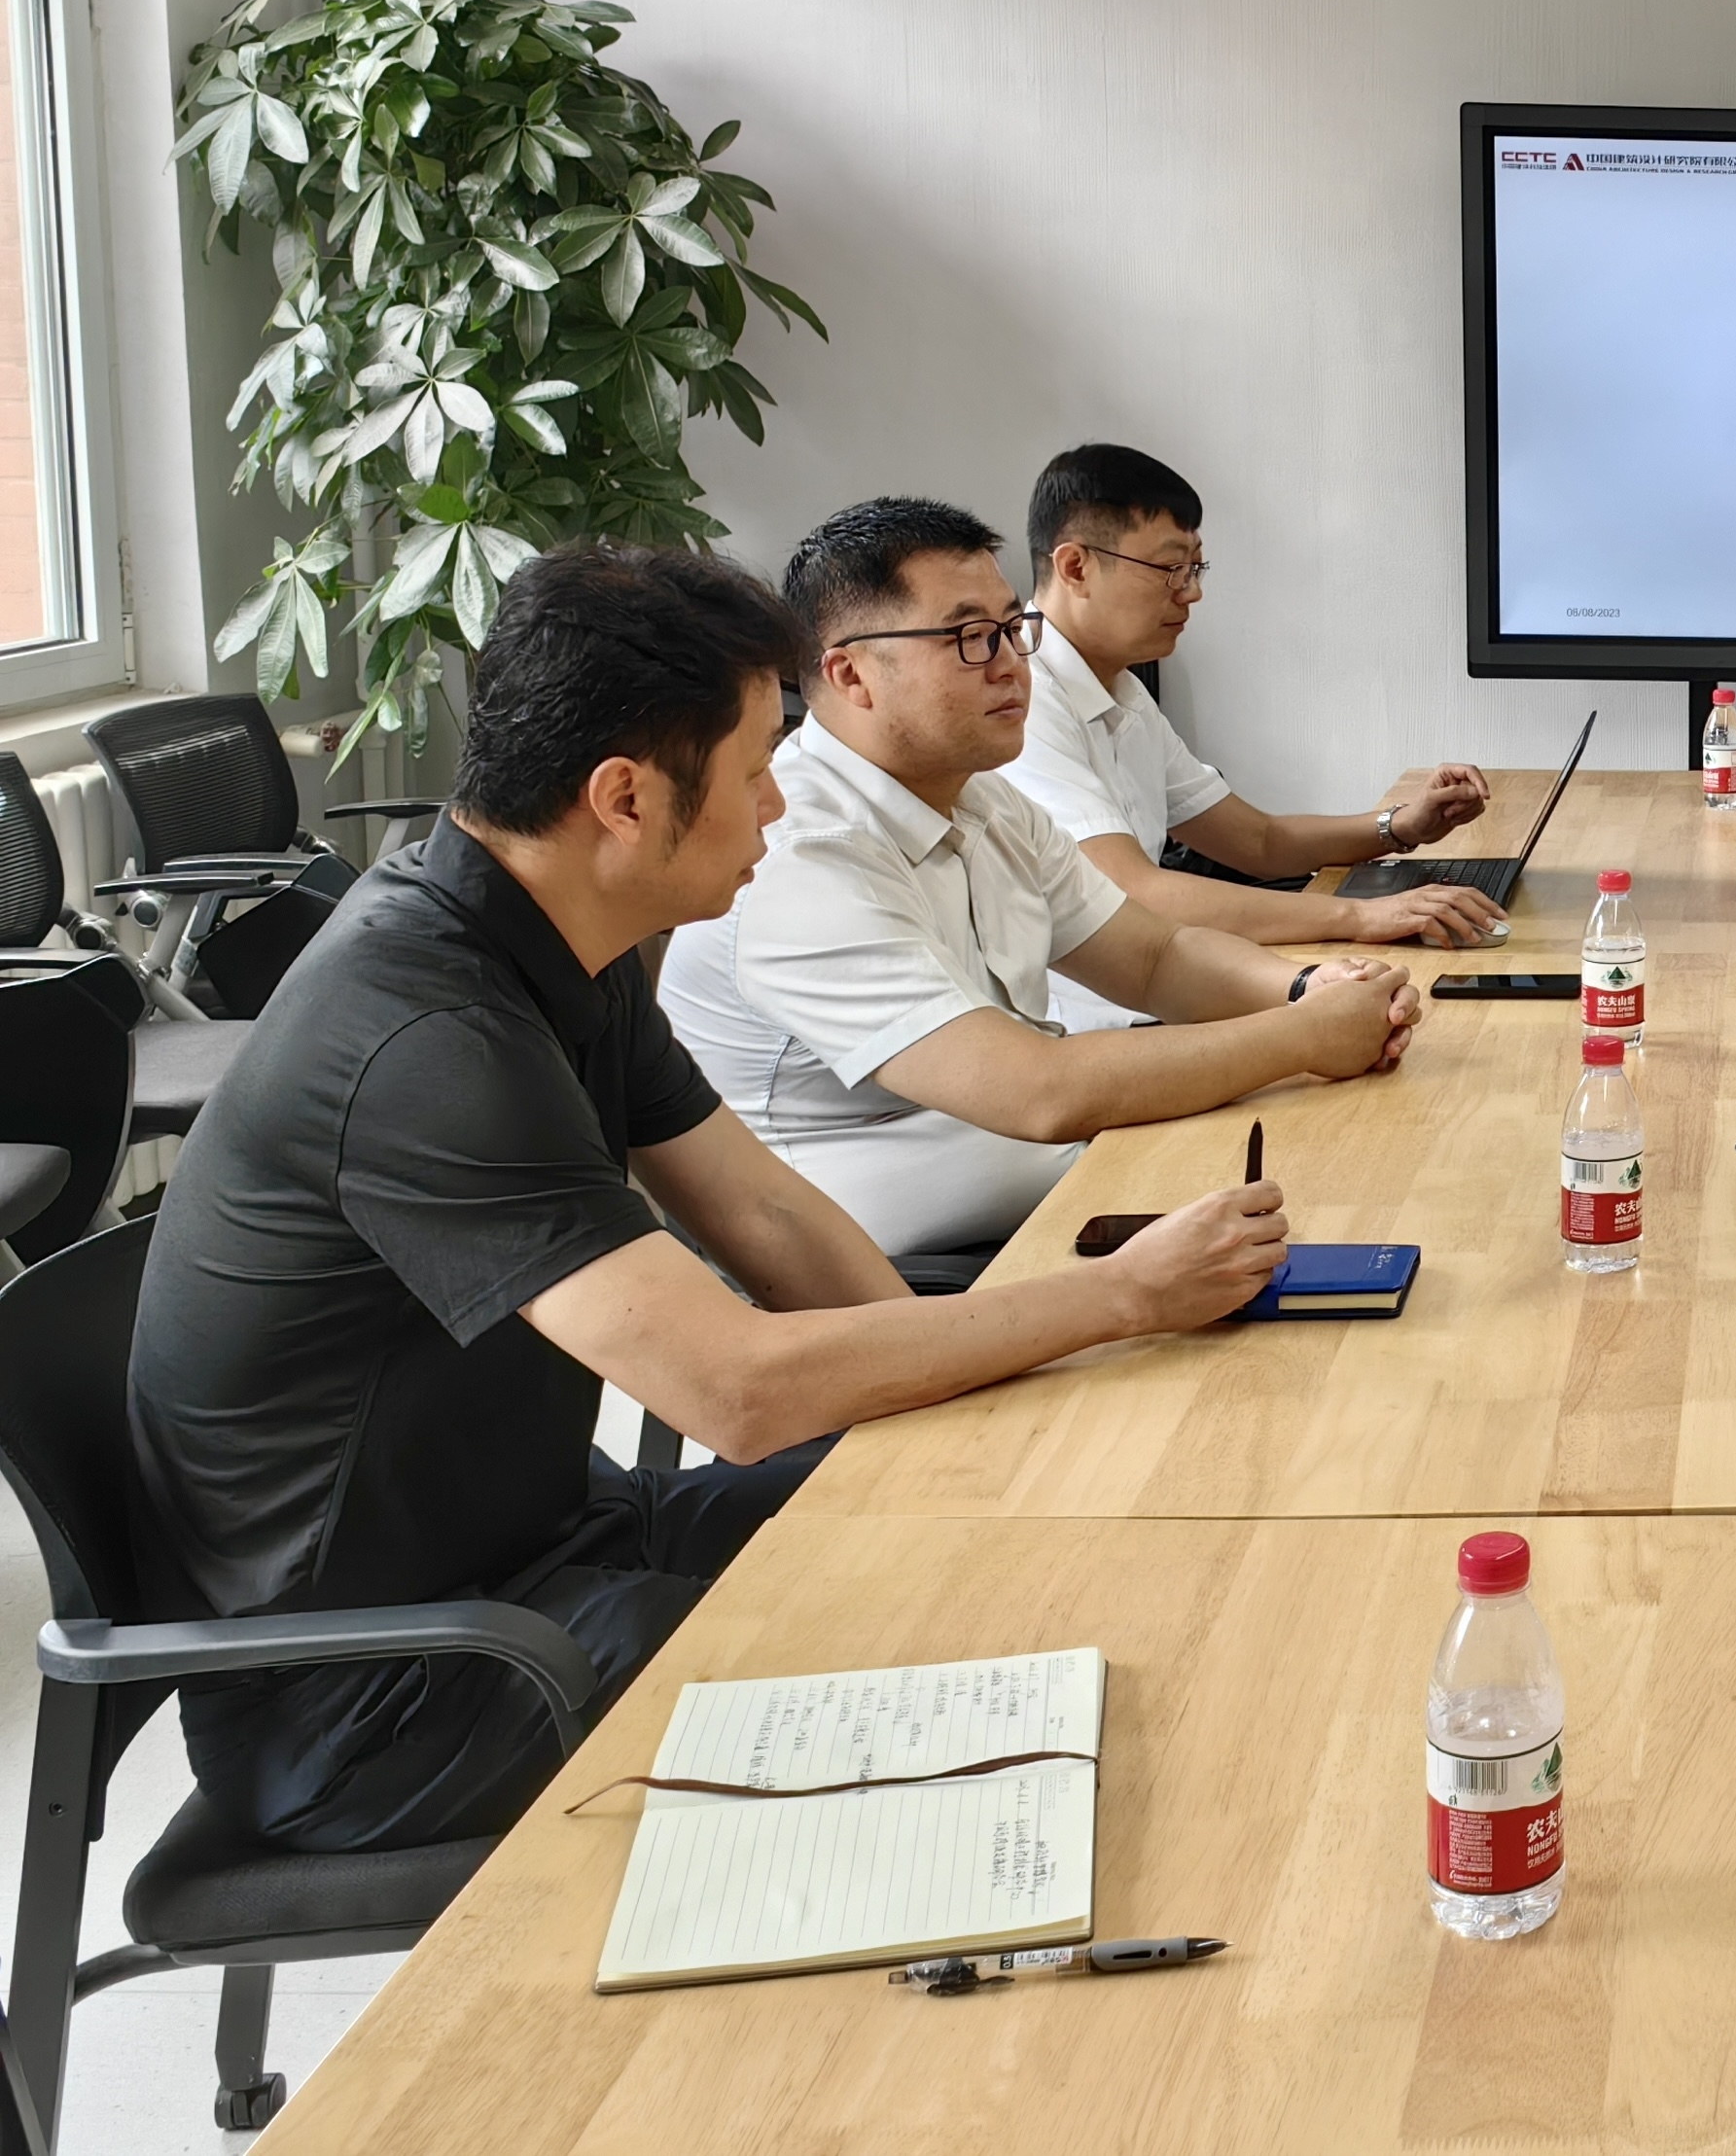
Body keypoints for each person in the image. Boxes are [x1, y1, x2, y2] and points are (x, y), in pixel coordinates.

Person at [126, 545, 1296, 1854]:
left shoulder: (560, 940)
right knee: (971, 1669)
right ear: (624, 798)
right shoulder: (426, 1035)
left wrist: (972, 1427)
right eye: (751, 774)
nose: (776, 806)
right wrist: (1116, 1297)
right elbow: (735, 1393)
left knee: (1018, 1530)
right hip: (386, 1693)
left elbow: (768, 1221)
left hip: (556, 1541)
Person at [660, 498, 1422, 1262]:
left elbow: (1153, 957)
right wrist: (1304, 1035)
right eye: (969, 638)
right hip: (893, 1276)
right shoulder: (800, 856)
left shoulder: (984, 798)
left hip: (1060, 1190)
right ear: (850, 673)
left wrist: (1307, 987)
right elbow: (1038, 1090)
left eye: (1011, 628)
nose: (1011, 662)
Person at [1009, 442, 1497, 1032]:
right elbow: (1136, 893)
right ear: (1075, 568)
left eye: (1195, 568)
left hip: (1161, 998)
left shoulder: (1122, 688)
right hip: (1086, 1029)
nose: (1191, 592)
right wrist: (1362, 915)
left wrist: (1400, 826)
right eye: (1170, 569)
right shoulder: (1022, 699)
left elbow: (1257, 840)